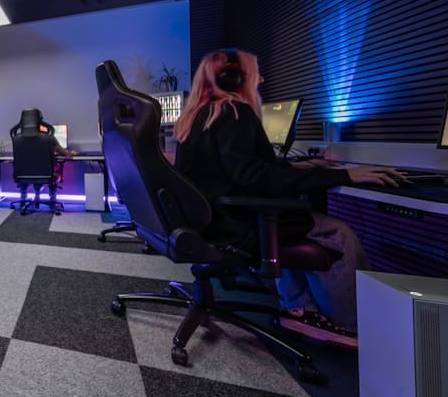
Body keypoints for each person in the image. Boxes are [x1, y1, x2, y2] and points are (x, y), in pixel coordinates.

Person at [172, 48, 405, 346]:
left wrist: (297, 167)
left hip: (210, 220)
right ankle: (351, 326)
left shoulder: (196, 117)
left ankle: (299, 306)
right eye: (255, 75)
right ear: (234, 78)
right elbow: (254, 178)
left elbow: (236, 169)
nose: (261, 80)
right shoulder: (233, 112)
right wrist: (343, 174)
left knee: (293, 222)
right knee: (339, 234)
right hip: (236, 225)